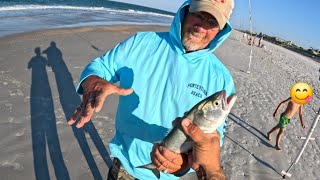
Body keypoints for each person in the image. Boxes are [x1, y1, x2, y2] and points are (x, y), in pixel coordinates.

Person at [68, 0, 235, 179]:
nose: (201, 27)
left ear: (221, 29)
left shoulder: (222, 79)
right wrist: (93, 81)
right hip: (126, 166)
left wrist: (184, 162)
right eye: (199, 15)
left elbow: (215, 139)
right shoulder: (141, 42)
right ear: (186, 10)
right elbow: (103, 66)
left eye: (212, 22)